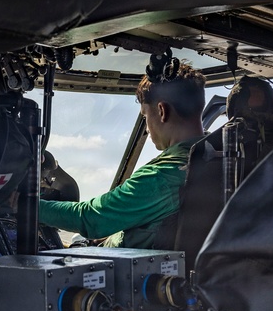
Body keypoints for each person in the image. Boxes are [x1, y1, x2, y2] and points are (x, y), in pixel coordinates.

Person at [38, 52, 206, 248]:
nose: (146, 127)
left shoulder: (161, 178)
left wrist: (24, 204)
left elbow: (90, 219)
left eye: (145, 116)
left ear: (162, 111)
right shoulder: (219, 160)